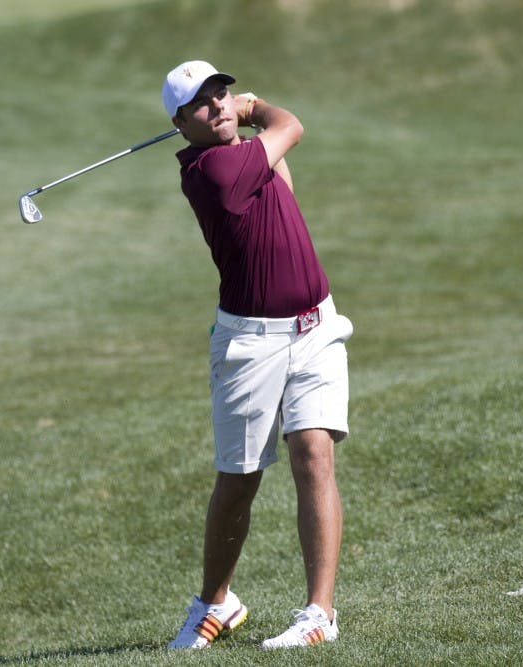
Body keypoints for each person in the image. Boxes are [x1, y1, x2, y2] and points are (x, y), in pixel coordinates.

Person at [160, 60, 353, 650]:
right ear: (180, 123)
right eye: (203, 103)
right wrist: (256, 106)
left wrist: (245, 124)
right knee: (238, 480)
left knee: (314, 454)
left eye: (222, 94)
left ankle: (319, 613)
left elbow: (284, 192)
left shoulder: (245, 157)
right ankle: (215, 602)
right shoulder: (212, 170)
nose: (218, 105)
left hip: (315, 326)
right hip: (250, 344)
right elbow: (291, 125)